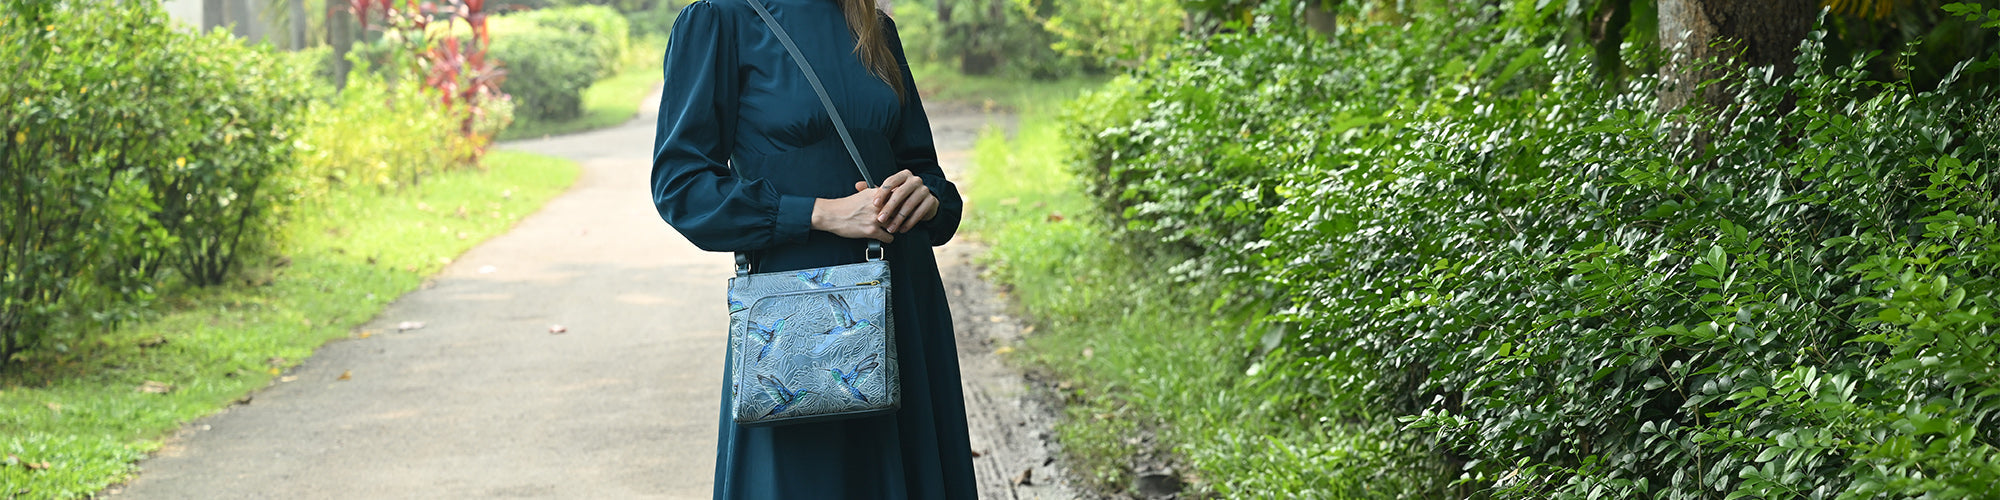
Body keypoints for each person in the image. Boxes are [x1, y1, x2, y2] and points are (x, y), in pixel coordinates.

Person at [648, 0, 977, 497]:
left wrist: (927, 196)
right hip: (799, 319)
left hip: (902, 299)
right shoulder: (721, 20)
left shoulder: (873, 27)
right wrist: (819, 213)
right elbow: (683, 188)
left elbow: (926, 171)